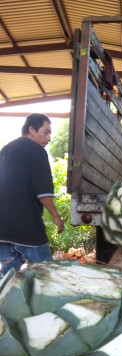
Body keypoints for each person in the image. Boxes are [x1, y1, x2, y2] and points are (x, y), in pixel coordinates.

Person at [0, 113, 64, 275]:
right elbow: (42, 192)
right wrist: (56, 216)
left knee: (8, 280)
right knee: (46, 276)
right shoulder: (36, 151)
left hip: (3, 230)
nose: (49, 138)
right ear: (31, 129)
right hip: (27, 230)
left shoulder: (6, 149)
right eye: (46, 132)